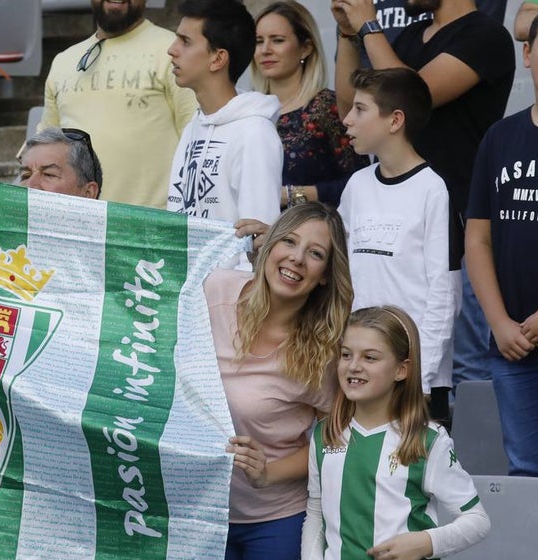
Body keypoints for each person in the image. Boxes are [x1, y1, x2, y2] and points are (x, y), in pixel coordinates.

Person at [0, 127, 128, 560]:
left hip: (85, 511)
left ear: (89, 191)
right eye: (25, 173)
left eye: (49, 174)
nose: (30, 184)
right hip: (0, 503)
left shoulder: (130, 277)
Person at [173, 201, 353, 560]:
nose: (296, 259)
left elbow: (339, 440)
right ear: (268, 246)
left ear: (325, 277)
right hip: (201, 518)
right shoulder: (212, 291)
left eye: (315, 254)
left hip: (277, 522)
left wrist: (272, 472)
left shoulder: (325, 350)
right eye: (289, 242)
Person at [300, 306, 490, 560]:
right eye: (347, 354)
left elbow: (478, 520)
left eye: (370, 357)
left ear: (402, 370)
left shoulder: (427, 440)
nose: (354, 366)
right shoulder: (324, 436)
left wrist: (422, 543)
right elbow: (316, 511)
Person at [332, 0, 515, 388]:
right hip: (393, 208)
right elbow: (352, 107)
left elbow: (414, 95)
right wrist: (348, 35)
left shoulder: (485, 35)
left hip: (460, 219)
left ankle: (453, 447)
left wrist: (368, 25)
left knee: (462, 365)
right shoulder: (412, 35)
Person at [465, 0, 538, 491]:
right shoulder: (500, 137)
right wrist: (497, 323)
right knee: (530, 479)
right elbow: (477, 236)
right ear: (528, 53)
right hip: (512, 347)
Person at [338, 68, 456, 423]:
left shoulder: (433, 189)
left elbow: (445, 292)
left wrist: (421, 376)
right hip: (360, 370)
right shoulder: (357, 185)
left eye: (360, 109)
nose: (347, 119)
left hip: (414, 377)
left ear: (395, 121)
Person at [37, 0, 196, 208]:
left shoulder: (174, 52)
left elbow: (197, 144)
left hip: (153, 227)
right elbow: (42, 153)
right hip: (79, 224)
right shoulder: (63, 61)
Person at [167, 0, 282, 233]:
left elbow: (257, 241)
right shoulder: (194, 126)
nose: (172, 49)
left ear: (218, 59)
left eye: (185, 41)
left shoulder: (255, 133)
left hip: (235, 270)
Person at [252, 1, 367, 209]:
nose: (265, 50)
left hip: (313, 234)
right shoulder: (248, 110)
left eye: (277, 40)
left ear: (305, 48)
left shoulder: (324, 106)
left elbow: (359, 181)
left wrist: (292, 195)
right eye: (258, 41)